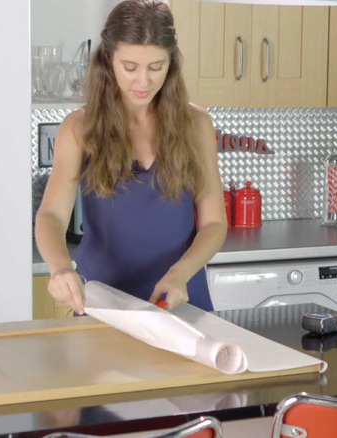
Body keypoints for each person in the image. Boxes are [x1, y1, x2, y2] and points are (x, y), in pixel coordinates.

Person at [34, 0, 226, 315]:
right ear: (109, 60)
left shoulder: (197, 125)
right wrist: (59, 268)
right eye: (130, 67)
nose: (143, 82)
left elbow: (215, 222)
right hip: (104, 305)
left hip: (178, 301)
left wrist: (179, 274)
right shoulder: (79, 128)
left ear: (171, 62)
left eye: (156, 67)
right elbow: (51, 216)